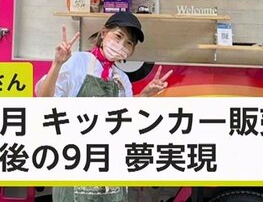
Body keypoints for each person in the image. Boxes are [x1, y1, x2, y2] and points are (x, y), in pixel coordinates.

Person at [35, 11, 172, 201]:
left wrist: (145, 95)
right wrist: (57, 64)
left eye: (128, 43)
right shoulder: (77, 62)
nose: (121, 45)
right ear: (103, 33)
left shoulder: (122, 79)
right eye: (118, 36)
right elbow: (44, 100)